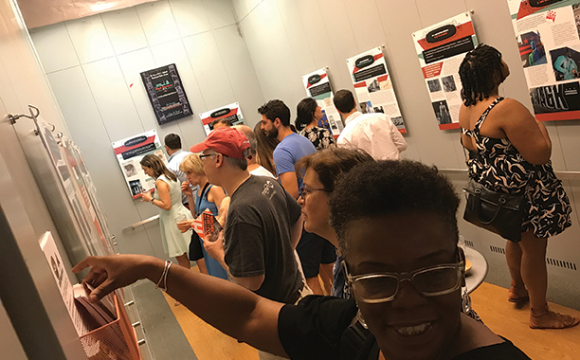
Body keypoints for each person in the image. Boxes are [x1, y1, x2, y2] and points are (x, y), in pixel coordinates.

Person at [74, 160, 532, 360]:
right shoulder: (353, 329)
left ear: (458, 265)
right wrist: (154, 269)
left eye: (432, 273)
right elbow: (250, 313)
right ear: (349, 273)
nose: (407, 301)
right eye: (377, 279)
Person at [458, 44, 578, 329]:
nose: (504, 62)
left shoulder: (466, 108)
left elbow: (470, 145)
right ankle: (540, 314)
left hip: (502, 197)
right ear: (493, 72)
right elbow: (539, 154)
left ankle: (517, 288)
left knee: (515, 239)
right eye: (500, 59)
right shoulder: (505, 107)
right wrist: (543, 132)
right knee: (534, 251)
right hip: (526, 195)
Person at [188, 127, 308, 360]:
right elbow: (297, 217)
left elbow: (251, 281)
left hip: (276, 319)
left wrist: (218, 253)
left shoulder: (241, 209)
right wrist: (286, 250)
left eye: (204, 157)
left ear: (219, 159)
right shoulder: (267, 183)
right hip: (298, 295)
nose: (202, 164)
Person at [259, 100, 335, 295]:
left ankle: (323, 321)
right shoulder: (303, 140)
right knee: (329, 265)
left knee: (310, 275)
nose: (262, 127)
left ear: (277, 122)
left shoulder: (281, 151)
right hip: (322, 210)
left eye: (265, 123)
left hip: (305, 216)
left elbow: (291, 192)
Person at [295, 147, 374, 299]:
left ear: (339, 195)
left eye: (307, 191)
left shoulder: (368, 271)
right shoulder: (346, 255)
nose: (300, 200)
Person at [176, 154, 228, 280]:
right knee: (215, 277)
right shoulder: (200, 190)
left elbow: (225, 219)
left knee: (223, 277)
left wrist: (193, 223)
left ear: (199, 169)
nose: (187, 177)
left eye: (189, 172)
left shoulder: (214, 189)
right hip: (207, 240)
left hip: (219, 241)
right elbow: (197, 215)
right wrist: (189, 196)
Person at [139, 155, 191, 271]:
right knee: (194, 251)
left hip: (173, 220)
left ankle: (189, 284)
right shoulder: (171, 177)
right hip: (182, 213)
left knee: (181, 257)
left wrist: (150, 199)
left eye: (145, 169)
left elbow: (167, 206)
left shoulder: (160, 182)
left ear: (151, 166)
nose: (145, 173)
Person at [334, 89, 407, 160]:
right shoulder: (381, 117)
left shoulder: (343, 139)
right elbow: (402, 145)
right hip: (397, 167)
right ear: (355, 102)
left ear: (338, 110)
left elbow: (351, 164)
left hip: (371, 171)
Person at [164, 133, 192, 206]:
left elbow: (174, 190)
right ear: (180, 144)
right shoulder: (193, 155)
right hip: (206, 196)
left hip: (188, 203)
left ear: (167, 148)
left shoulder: (170, 167)